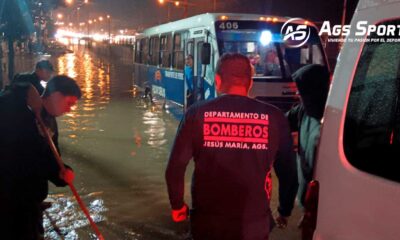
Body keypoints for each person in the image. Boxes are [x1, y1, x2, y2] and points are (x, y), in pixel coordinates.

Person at [166, 53, 298, 240]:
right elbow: (289, 173)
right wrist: (284, 210)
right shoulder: (275, 117)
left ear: (218, 80)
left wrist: (177, 206)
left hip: (207, 224)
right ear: (250, 82)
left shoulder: (196, 114)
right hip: (254, 226)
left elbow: (175, 169)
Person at [0, 75, 81, 240]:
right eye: (69, 103)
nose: (69, 109)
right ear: (56, 95)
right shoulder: (19, 108)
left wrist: (62, 174)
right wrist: (23, 91)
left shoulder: (49, 123)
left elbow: (50, 160)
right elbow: (7, 96)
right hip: (8, 197)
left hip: (31, 200)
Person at [285, 64, 330, 226]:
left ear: (312, 91)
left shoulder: (330, 123)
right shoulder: (304, 110)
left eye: (301, 89)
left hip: (323, 200)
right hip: (306, 193)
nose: (297, 93)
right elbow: (283, 121)